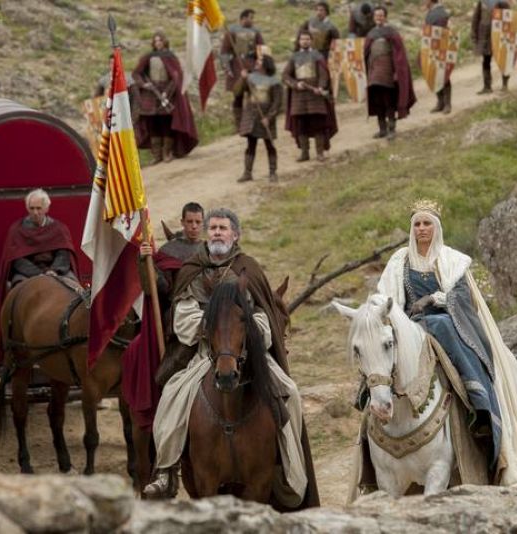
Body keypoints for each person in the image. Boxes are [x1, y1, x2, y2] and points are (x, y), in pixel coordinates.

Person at [145, 208, 320, 509]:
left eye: (223, 228)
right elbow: (183, 318)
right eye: (213, 227)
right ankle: (166, 470)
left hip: (247, 353)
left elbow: (265, 316)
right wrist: (213, 326)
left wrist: (247, 330)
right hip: (206, 353)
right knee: (172, 395)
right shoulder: (193, 270)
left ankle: (288, 468)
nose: (216, 232)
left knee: (289, 392)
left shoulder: (248, 269)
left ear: (235, 235)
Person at [376, 199, 517, 490]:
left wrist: (433, 299)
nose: (421, 229)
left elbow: (463, 298)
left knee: (441, 324)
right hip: (409, 327)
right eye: (417, 224)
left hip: (446, 323)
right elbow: (386, 298)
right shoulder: (399, 261)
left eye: (427, 223)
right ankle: (372, 409)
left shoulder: (451, 260)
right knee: (377, 357)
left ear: (436, 228)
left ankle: (478, 399)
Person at [0, 189, 79, 369]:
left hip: (57, 272)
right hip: (27, 273)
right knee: (17, 295)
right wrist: (38, 275)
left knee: (77, 291)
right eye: (32, 208)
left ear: (46, 208)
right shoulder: (17, 230)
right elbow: (17, 259)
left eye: (39, 208)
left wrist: (53, 271)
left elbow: (63, 253)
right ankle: (16, 341)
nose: (35, 212)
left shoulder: (59, 229)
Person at [132, 31, 198, 163]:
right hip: (151, 93)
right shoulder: (148, 57)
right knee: (153, 123)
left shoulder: (171, 57)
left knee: (166, 122)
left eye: (160, 41)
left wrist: (167, 92)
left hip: (167, 92)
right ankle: (157, 155)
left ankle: (167, 152)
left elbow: (176, 77)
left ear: (165, 42)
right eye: (156, 41)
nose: (158, 43)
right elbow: (136, 73)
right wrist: (144, 84)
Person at [283, 30, 338, 162]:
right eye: (302, 39)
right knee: (301, 126)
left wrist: (321, 87)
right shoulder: (294, 57)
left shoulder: (317, 56)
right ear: (299, 41)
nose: (305, 41)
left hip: (315, 97)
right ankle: (304, 153)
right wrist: (296, 84)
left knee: (318, 125)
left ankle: (320, 153)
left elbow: (324, 75)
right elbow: (285, 75)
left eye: (307, 39)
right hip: (299, 97)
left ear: (311, 41)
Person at [364, 6, 416, 140]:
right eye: (376, 15)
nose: (378, 18)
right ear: (373, 17)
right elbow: (366, 54)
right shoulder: (370, 34)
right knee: (378, 101)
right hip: (374, 72)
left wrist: (397, 73)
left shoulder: (392, 32)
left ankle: (391, 129)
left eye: (381, 15)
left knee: (389, 101)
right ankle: (382, 129)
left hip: (388, 71)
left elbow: (399, 55)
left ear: (385, 17)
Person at [235, 55, 282, 183]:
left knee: (269, 145)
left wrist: (269, 117)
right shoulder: (250, 78)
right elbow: (237, 92)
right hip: (252, 116)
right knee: (251, 144)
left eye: (260, 61)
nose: (257, 62)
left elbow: (277, 102)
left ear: (266, 64)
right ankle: (247, 172)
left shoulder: (274, 81)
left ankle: (273, 172)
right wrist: (242, 79)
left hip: (265, 117)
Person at [220, 9, 265, 131]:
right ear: (243, 18)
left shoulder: (256, 32)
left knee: (254, 96)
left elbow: (261, 49)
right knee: (238, 96)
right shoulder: (232, 31)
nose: (252, 20)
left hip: (252, 66)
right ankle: (238, 124)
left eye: (253, 18)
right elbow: (224, 52)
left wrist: (260, 64)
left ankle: (253, 123)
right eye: (251, 18)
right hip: (237, 67)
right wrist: (227, 69)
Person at [471, 0, 511, 94]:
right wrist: (474, 33)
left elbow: (508, 17)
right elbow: (476, 18)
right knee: (486, 60)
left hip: (499, 34)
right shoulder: (482, 2)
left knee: (503, 60)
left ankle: (505, 85)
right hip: (485, 35)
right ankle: (487, 86)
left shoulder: (503, 2)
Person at [424, 0, 453, 114]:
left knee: (443, 76)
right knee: (435, 75)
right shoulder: (431, 12)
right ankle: (440, 102)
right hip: (432, 47)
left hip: (440, 48)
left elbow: (443, 33)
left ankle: (447, 104)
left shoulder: (441, 14)